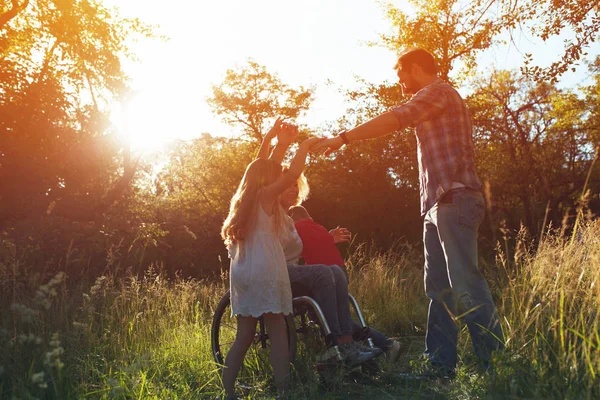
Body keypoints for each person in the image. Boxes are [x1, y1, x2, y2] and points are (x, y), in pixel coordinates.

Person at [315, 48, 504, 378]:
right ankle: (440, 367)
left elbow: (397, 117)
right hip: (436, 206)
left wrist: (344, 138)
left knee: (466, 285)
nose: (399, 79)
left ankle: (497, 369)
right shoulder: (434, 98)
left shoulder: (438, 92)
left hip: (455, 199)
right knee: (439, 291)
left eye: (401, 72)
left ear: (416, 68)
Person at [260, 120, 381, 366]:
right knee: (324, 273)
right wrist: (286, 143)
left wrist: (329, 239)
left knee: (335, 270)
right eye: (287, 186)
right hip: (273, 275)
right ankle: (336, 346)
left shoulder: (289, 219)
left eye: (296, 186)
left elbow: (297, 249)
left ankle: (347, 343)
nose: (292, 189)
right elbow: (265, 169)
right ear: (276, 188)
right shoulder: (268, 209)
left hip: (290, 274)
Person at [220, 119, 322, 399]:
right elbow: (292, 174)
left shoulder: (245, 200)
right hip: (266, 267)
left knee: (243, 336)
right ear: (268, 180)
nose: (280, 178)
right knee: (277, 329)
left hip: (242, 270)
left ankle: (227, 392)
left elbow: (261, 165)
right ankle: (283, 390)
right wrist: (302, 147)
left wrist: (278, 142)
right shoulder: (267, 196)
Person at [289, 204, 403, 361]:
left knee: (324, 317)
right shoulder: (319, 227)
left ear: (293, 218)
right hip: (339, 271)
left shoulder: (296, 227)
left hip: (324, 276)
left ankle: (379, 344)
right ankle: (373, 345)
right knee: (339, 317)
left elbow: (296, 249)